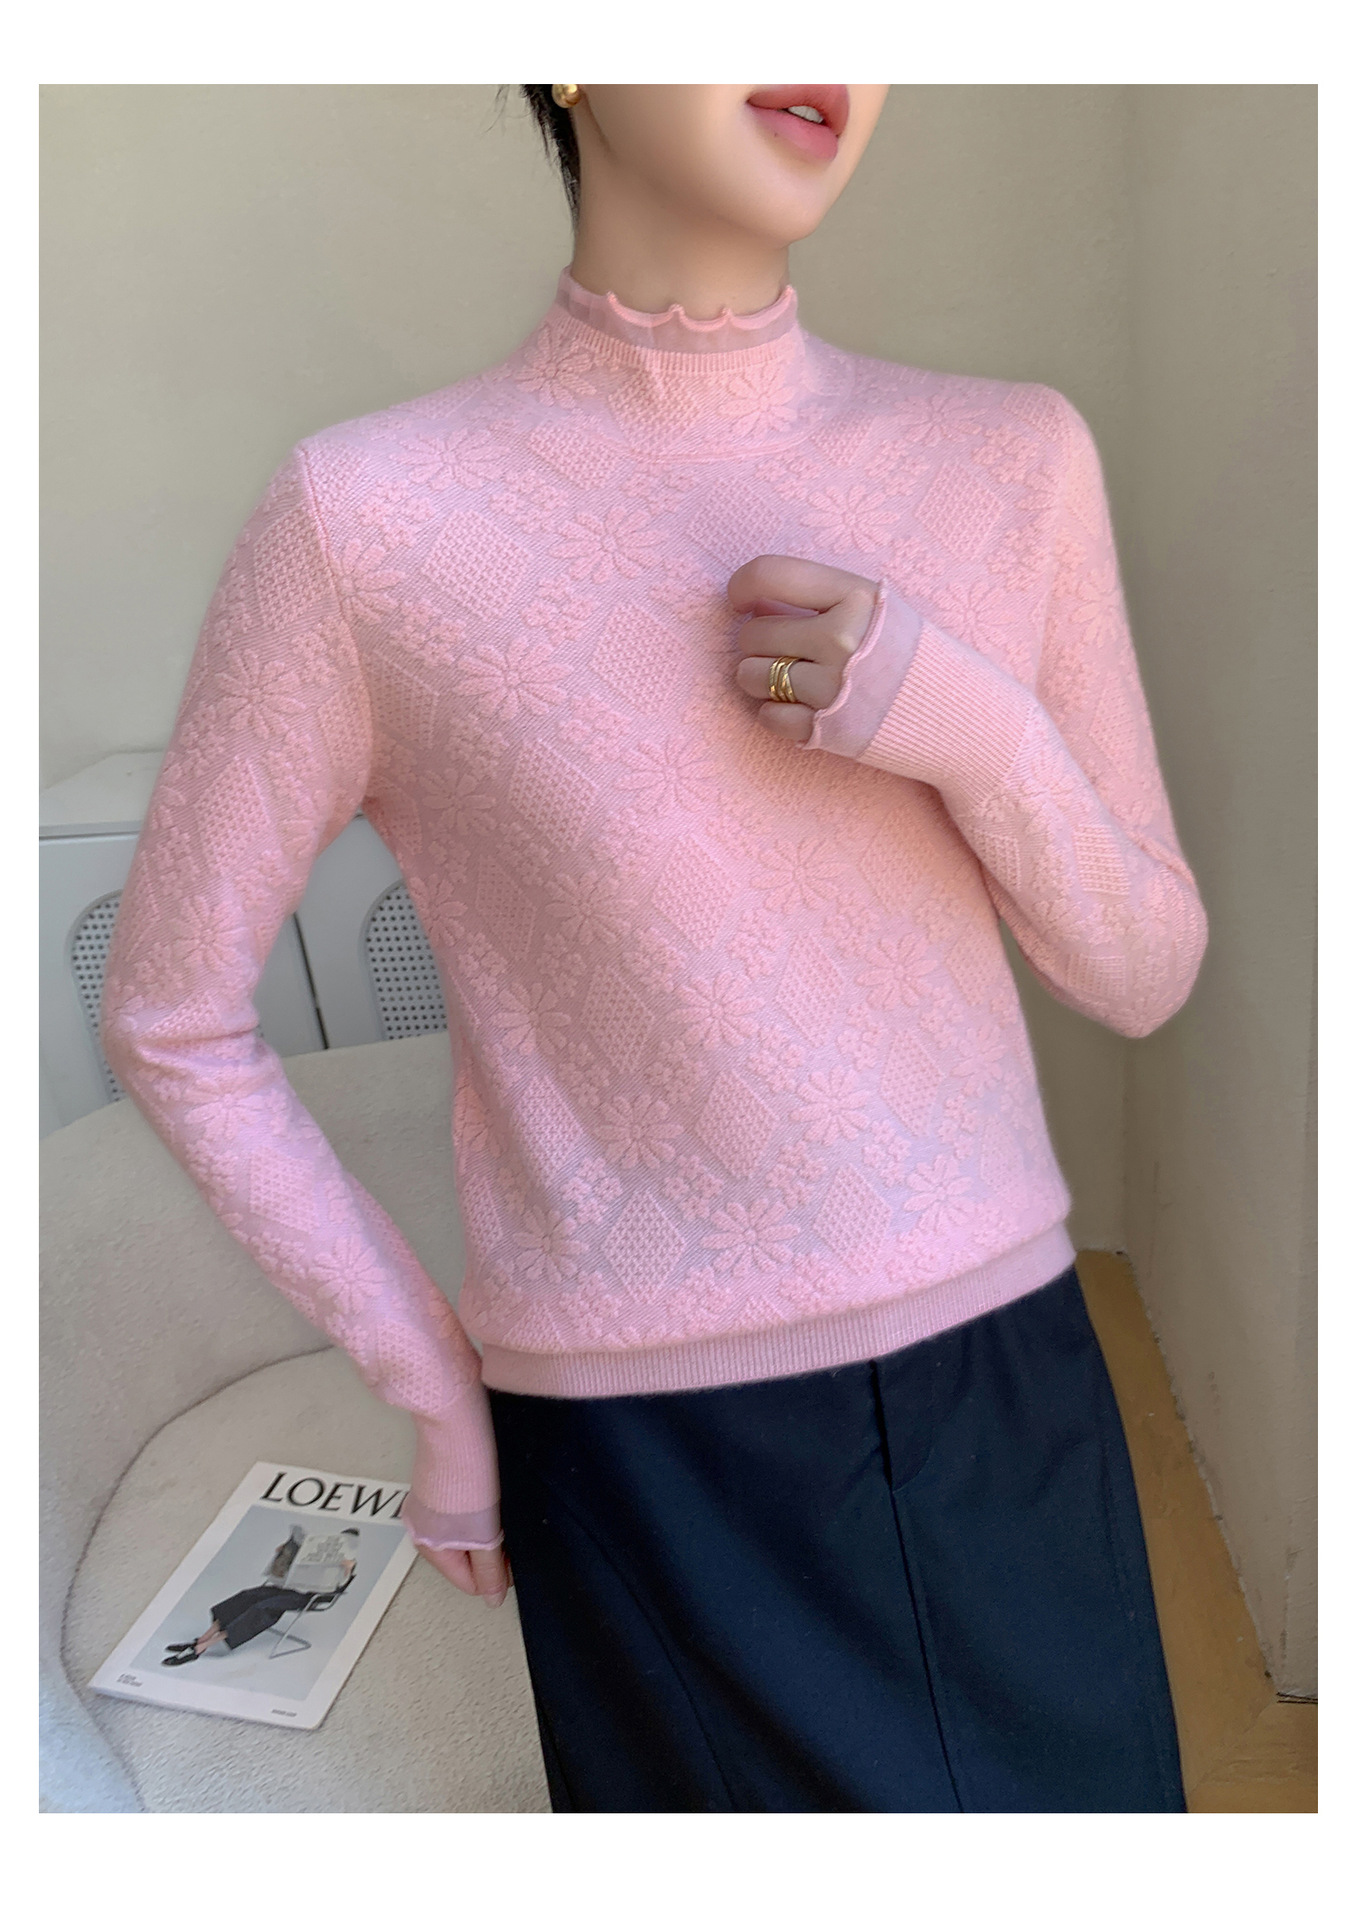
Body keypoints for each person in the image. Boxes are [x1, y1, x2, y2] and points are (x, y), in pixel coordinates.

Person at [102, 84, 1207, 1809]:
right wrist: (434, 1384)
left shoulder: (1010, 458)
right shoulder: (361, 520)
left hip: (1007, 1377)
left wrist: (970, 727)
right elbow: (168, 1013)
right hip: (644, 1454)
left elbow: (1140, 973)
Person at [162, 1529, 359, 1664]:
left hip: (307, 1597)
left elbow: (336, 1589)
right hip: (289, 1588)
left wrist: (347, 1570)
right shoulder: (321, 1551)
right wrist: (286, 1554)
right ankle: (201, 1639)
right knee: (246, 1596)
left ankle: (202, 1648)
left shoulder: (349, 1563)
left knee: (262, 1608)